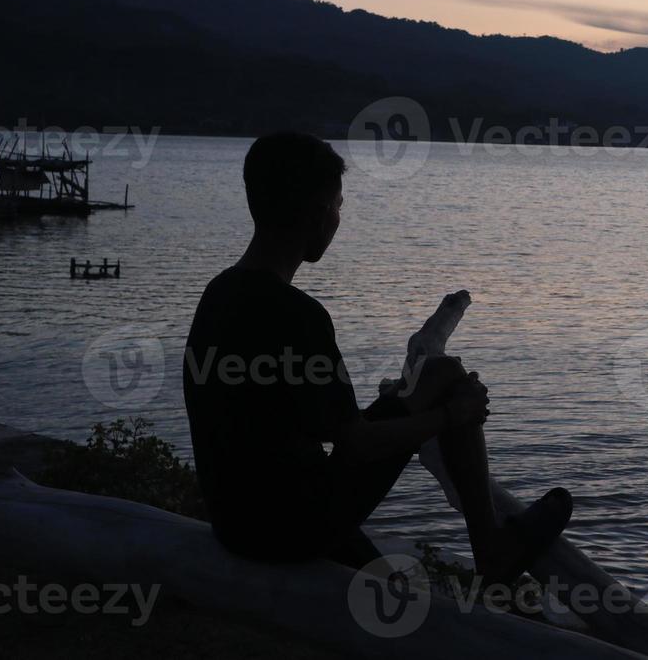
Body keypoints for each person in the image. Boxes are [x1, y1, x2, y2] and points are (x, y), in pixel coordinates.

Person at [183, 131, 570, 583]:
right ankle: (493, 551)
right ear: (318, 212)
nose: (338, 219)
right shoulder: (299, 316)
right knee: (449, 388)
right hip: (289, 530)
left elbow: (306, 425)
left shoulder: (218, 294)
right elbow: (357, 444)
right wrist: (451, 415)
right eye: (339, 206)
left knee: (441, 370)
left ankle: (489, 546)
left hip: (234, 524)